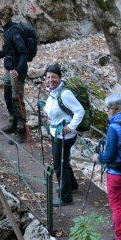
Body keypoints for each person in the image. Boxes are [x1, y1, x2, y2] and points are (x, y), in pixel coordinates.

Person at [97, 93, 121, 240]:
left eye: (109, 108)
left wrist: (98, 157)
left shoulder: (114, 127)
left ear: (118, 109)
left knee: (116, 205)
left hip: (116, 172)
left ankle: (120, 239)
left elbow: (109, 155)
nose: (107, 111)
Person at [42, 63, 83, 205]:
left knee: (59, 164)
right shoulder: (52, 92)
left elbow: (80, 111)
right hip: (56, 133)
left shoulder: (65, 94)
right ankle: (71, 185)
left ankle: (66, 197)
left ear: (60, 78)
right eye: (48, 77)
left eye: (54, 77)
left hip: (64, 136)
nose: (50, 80)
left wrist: (71, 126)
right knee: (63, 160)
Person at [0, 5, 30, 142]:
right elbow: (6, 51)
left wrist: (18, 70)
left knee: (16, 99)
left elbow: (24, 53)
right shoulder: (7, 31)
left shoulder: (15, 32)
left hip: (16, 71)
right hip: (9, 69)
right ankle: (12, 122)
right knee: (7, 95)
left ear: (2, 17)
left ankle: (21, 130)